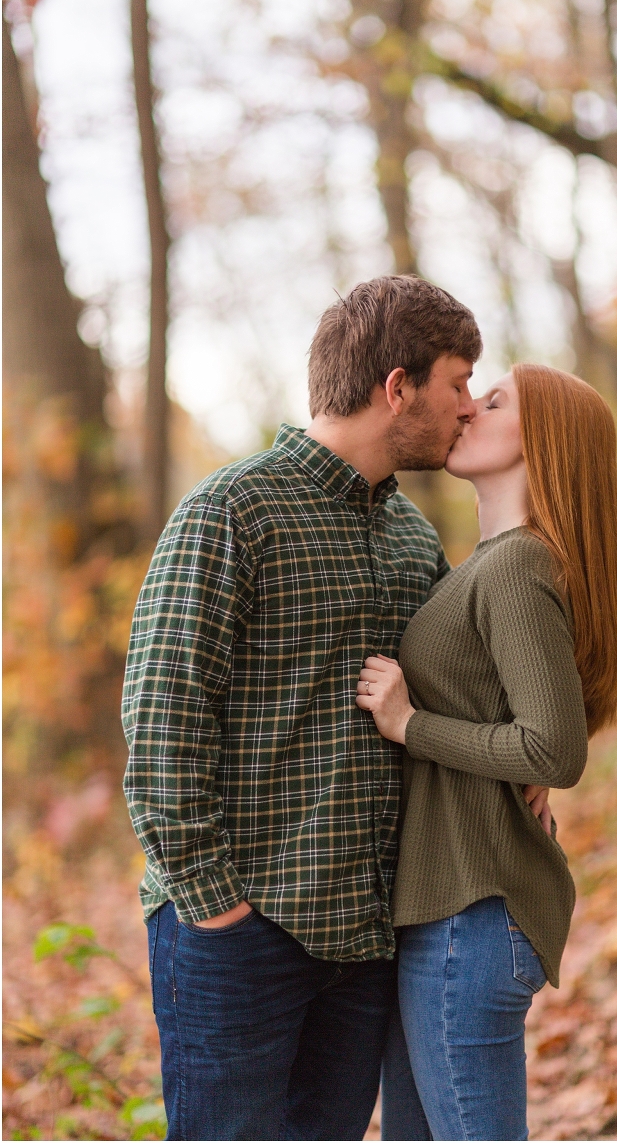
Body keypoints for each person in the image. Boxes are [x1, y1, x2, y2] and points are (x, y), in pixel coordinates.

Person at [121, 275, 484, 1142]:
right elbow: (163, 722)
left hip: (361, 944)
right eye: (458, 383)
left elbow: (447, 700)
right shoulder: (229, 513)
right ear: (397, 387)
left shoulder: (410, 536)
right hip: (237, 937)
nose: (468, 407)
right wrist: (217, 910)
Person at [355, 362, 617, 1142]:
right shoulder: (491, 562)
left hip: (469, 917)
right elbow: (524, 730)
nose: (470, 407)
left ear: (541, 443)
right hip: (448, 914)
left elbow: (553, 749)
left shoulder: (515, 564)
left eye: (496, 400)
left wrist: (411, 724)